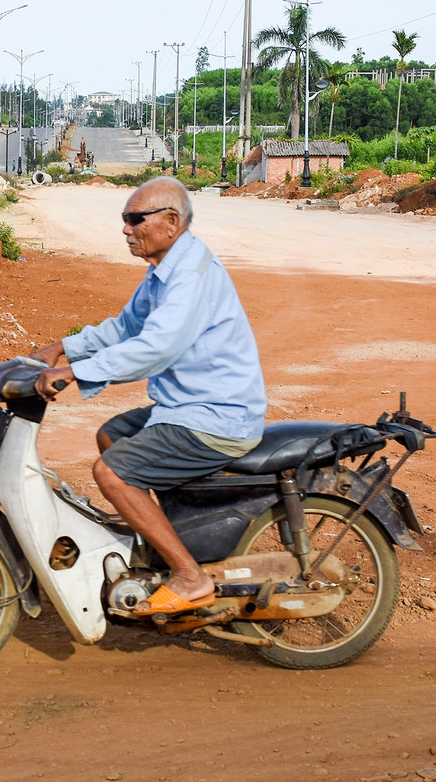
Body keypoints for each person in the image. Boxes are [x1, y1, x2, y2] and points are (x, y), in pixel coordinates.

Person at [31, 176, 266, 616]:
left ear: (171, 222)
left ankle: (190, 575)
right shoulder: (165, 271)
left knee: (113, 474)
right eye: (125, 220)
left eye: (135, 219)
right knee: (111, 436)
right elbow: (126, 327)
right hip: (187, 406)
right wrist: (63, 346)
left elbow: (156, 347)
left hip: (214, 416)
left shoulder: (189, 278)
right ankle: (164, 543)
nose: (126, 229)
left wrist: (74, 373)